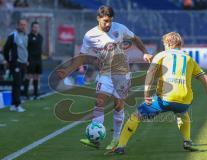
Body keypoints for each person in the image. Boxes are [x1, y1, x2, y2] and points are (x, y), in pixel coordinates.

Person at [57, 5, 152, 150]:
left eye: (110, 21)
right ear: (98, 18)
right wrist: (68, 70)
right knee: (99, 101)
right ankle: (95, 138)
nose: (108, 25)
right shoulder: (90, 35)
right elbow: (81, 57)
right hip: (105, 73)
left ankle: (116, 140)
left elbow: (135, 38)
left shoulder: (119, 28)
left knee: (118, 106)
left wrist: (144, 52)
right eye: (105, 21)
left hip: (122, 73)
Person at [110, 32, 207, 154]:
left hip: (165, 99)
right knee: (182, 113)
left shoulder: (161, 55)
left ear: (169, 43)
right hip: (184, 100)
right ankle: (187, 140)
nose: (164, 46)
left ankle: (120, 146)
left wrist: (146, 94)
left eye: (165, 44)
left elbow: (150, 73)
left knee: (136, 115)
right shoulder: (189, 58)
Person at [3, 18, 28, 112]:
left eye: (25, 25)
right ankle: (18, 105)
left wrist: (27, 60)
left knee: (18, 84)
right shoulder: (13, 35)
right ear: (17, 25)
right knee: (17, 83)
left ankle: (13, 104)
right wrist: (9, 61)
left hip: (24, 63)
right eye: (21, 24)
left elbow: (25, 49)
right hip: (16, 63)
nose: (23, 26)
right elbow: (6, 49)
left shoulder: (26, 35)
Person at [24, 21, 43, 99]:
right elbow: (25, 49)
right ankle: (26, 95)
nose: (36, 28)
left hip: (38, 60)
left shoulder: (40, 37)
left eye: (37, 27)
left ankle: (36, 94)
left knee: (37, 76)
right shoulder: (28, 37)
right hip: (30, 59)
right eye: (34, 27)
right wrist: (26, 59)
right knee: (29, 76)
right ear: (32, 28)